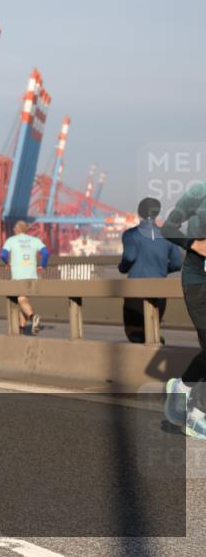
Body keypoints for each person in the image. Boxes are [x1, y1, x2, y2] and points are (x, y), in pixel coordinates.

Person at [161, 181, 206, 439]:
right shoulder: (198, 192)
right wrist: (193, 243)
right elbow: (168, 227)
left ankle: (183, 385)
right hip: (198, 281)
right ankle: (196, 417)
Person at [118, 197, 183, 343]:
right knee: (152, 332)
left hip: (135, 290)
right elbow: (178, 263)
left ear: (139, 213)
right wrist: (162, 270)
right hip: (159, 290)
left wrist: (122, 268)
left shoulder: (130, 235)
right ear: (157, 213)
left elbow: (129, 257)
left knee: (135, 334)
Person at [0, 220, 49, 334]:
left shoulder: (11, 240)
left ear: (17, 229)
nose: (13, 230)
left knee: (20, 299)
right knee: (24, 300)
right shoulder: (35, 240)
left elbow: (3, 254)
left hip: (18, 275)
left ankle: (33, 317)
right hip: (32, 275)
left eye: (14, 228)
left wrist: (6, 263)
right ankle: (21, 328)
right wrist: (43, 265)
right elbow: (46, 253)